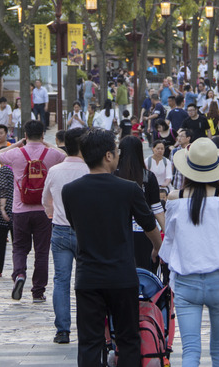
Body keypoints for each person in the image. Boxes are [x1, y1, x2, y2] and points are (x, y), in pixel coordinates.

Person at [62, 128, 162, 367]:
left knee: (89, 342)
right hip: (122, 276)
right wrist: (157, 247)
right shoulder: (128, 189)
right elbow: (150, 225)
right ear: (108, 155)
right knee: (128, 338)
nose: (117, 156)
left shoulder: (70, 191)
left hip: (88, 277)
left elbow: (75, 225)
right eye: (116, 151)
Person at [159, 137, 219, 366]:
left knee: (190, 351)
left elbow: (169, 238)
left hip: (186, 281)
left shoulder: (175, 199)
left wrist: (161, 255)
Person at [0, 120, 66, 303]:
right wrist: (47, 144)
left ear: (25, 135)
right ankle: (38, 292)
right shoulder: (50, 154)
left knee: (19, 247)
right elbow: (65, 155)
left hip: (20, 209)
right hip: (44, 210)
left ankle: (19, 274)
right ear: (43, 135)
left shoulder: (17, 154)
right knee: (42, 252)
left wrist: (18, 144)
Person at [42, 127, 88, 344]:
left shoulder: (55, 170)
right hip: (86, 231)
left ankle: (63, 330)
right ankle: (88, 325)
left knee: (61, 280)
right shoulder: (90, 170)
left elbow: (46, 199)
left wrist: (53, 212)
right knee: (87, 280)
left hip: (60, 229)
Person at [116, 136, 166, 273]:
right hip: (146, 232)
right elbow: (157, 209)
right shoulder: (148, 176)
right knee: (146, 273)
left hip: (119, 232)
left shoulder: (114, 175)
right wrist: (166, 233)